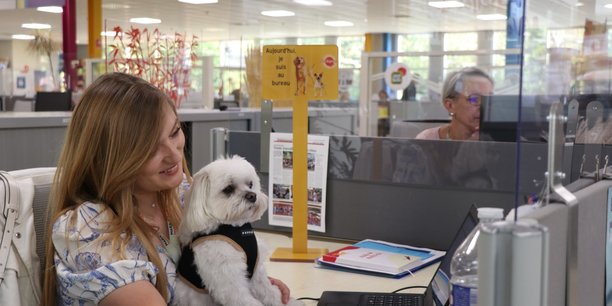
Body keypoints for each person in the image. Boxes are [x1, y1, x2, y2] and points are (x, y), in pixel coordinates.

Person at [41, 72, 291, 306]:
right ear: (111, 157)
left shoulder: (183, 195)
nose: (173, 155)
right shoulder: (88, 227)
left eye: (174, 133)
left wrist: (250, 287)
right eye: (150, 148)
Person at [415, 67, 494, 140]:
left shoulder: (498, 142)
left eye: (489, 99)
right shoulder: (427, 140)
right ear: (450, 105)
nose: (485, 106)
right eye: (475, 99)